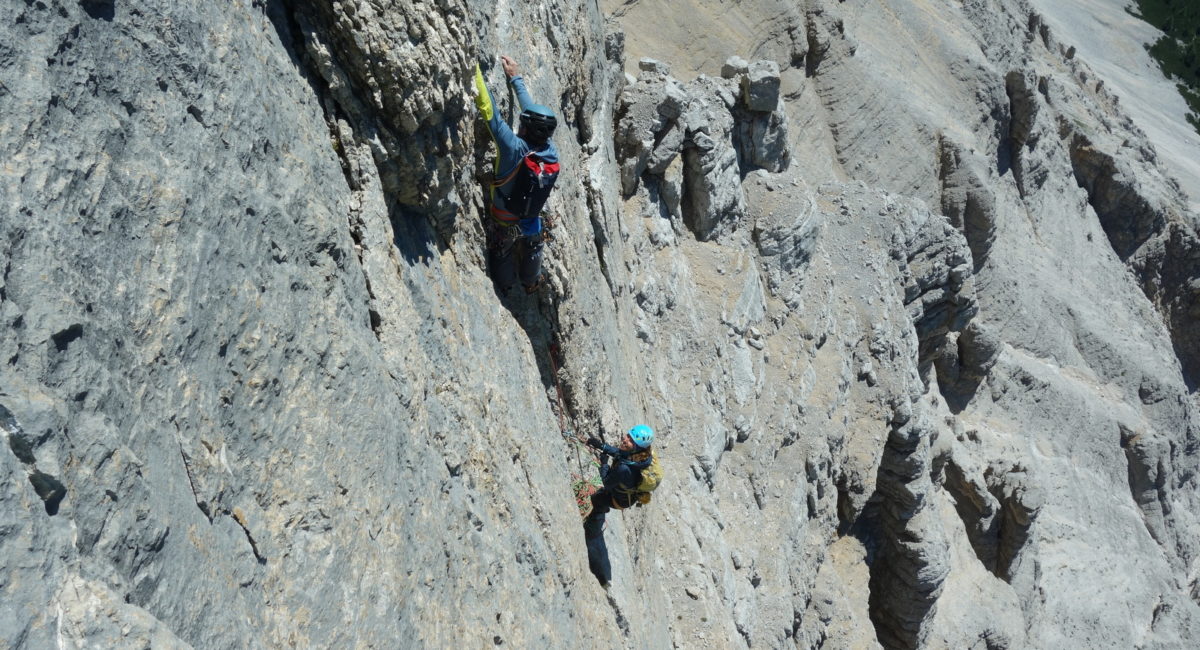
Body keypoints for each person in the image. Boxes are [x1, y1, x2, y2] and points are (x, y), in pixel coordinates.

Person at [473, 55, 560, 294]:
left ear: (525, 127)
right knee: (534, 246)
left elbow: (489, 112)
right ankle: (530, 282)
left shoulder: (511, 147)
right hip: (531, 218)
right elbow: (531, 113)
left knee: (503, 249)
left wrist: (473, 71)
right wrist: (515, 79)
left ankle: (506, 286)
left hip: (505, 219)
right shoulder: (551, 153)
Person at [583, 425, 656, 587]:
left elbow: (606, 482)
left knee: (596, 501)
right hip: (623, 495)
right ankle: (597, 514)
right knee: (598, 498)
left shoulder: (625, 469)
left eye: (630, 440)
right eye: (628, 435)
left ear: (636, 446)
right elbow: (618, 453)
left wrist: (603, 463)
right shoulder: (639, 456)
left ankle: (599, 572)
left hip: (617, 499)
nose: (625, 439)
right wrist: (598, 445)